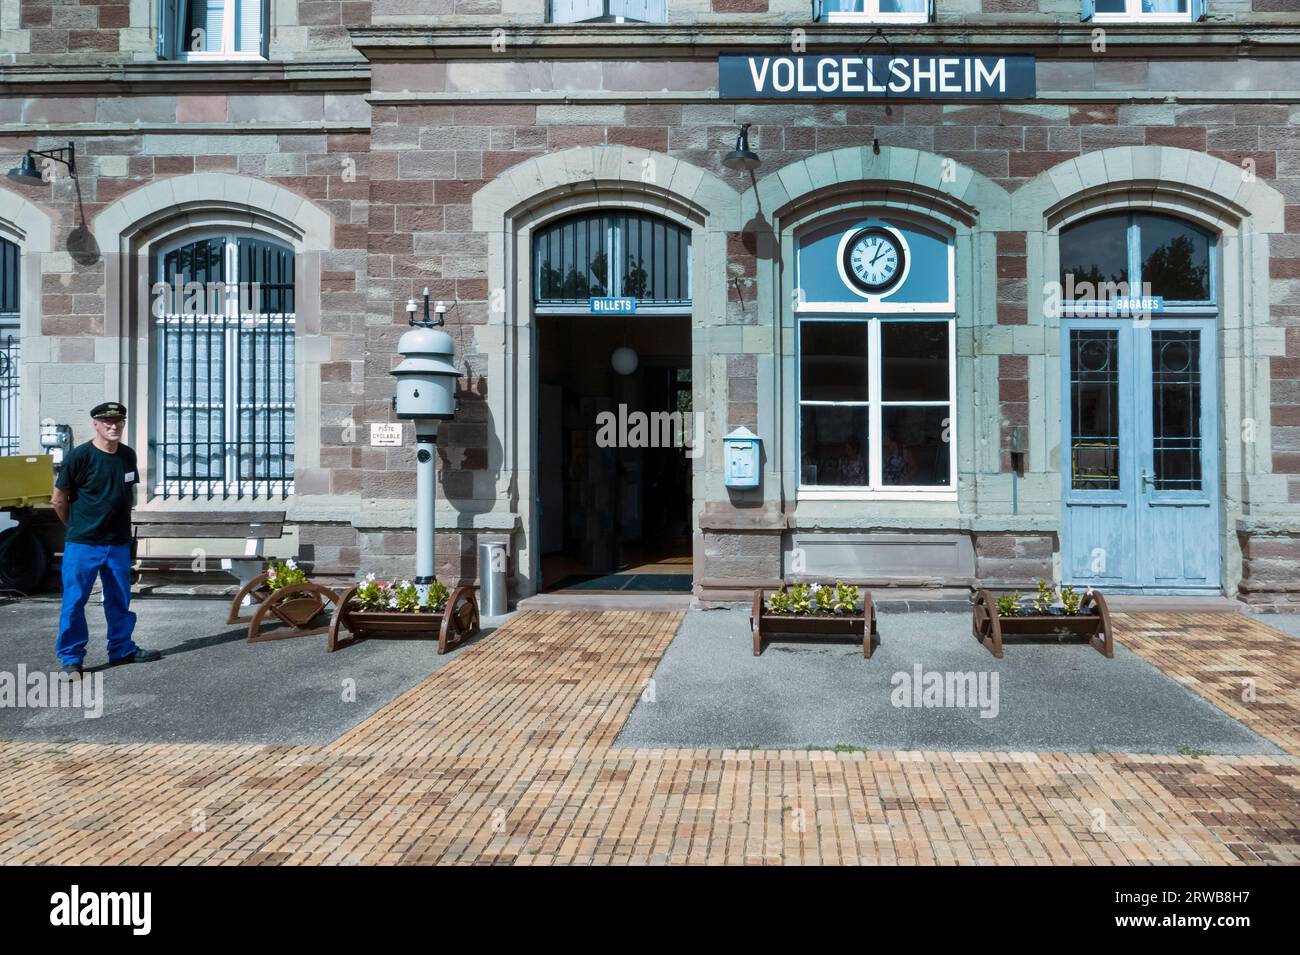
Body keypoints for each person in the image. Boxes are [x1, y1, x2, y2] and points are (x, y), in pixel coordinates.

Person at [50, 402, 161, 675]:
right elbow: (58, 499)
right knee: (75, 601)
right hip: (83, 543)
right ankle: (71, 659)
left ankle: (121, 650)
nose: (114, 426)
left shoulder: (127, 455)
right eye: (107, 422)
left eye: (118, 422)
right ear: (96, 425)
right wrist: (74, 527)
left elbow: (128, 493)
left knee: (119, 599)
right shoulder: (80, 457)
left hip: (118, 543)